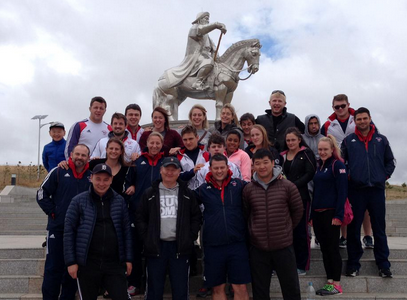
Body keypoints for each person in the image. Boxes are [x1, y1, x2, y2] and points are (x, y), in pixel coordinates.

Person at [136, 157, 202, 300]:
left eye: (174, 169)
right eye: (167, 169)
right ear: (161, 170)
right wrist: (147, 237)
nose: (170, 172)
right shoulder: (149, 193)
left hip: (179, 247)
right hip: (156, 247)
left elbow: (196, 217)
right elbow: (140, 217)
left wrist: (189, 236)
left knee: (180, 289)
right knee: (154, 289)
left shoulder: (187, 194)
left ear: (179, 172)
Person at [64, 163, 133, 300]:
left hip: (113, 264)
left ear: (111, 180)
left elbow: (126, 232)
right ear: (91, 178)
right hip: (87, 264)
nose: (102, 183)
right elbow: (68, 233)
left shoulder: (119, 201)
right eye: (98, 179)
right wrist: (71, 262)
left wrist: (128, 258)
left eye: (106, 179)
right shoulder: (78, 201)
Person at [342, 107, 396, 278]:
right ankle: (353, 264)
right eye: (359, 119)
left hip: (377, 191)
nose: (362, 122)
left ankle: (383, 264)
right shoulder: (348, 141)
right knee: (353, 229)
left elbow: (391, 161)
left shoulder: (381, 140)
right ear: (355, 121)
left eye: (365, 118)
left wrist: (383, 176)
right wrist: (351, 176)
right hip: (356, 191)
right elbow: (343, 163)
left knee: (379, 229)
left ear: (370, 119)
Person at [243, 149, 303, 300]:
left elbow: (297, 211)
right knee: (260, 291)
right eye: (258, 163)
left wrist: (286, 229)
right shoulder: (248, 189)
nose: (262, 166)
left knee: (291, 289)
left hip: (283, 246)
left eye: (265, 162)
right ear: (253, 166)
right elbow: (246, 214)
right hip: (258, 248)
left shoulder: (287, 186)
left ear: (272, 163)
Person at [37, 144, 91, 300]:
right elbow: (41, 193)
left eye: (83, 155)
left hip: (79, 232)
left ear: (88, 157)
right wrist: (54, 212)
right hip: (57, 229)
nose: (80, 158)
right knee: (53, 268)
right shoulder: (59, 171)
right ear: (71, 154)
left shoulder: (91, 176)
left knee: (73, 271)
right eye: (77, 154)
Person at [195, 154, 251, 300]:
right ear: (210, 169)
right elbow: (185, 200)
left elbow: (258, 191)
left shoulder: (238, 185)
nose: (219, 171)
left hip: (237, 244)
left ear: (227, 167)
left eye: (222, 167)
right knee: (217, 287)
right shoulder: (203, 189)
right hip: (214, 246)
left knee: (240, 287)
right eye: (216, 168)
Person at [321, 94, 372, 249]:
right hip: (339, 167)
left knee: (365, 204)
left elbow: (370, 134)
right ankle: (344, 236)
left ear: (348, 104)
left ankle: (368, 236)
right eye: (337, 107)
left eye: (343, 106)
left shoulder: (358, 119)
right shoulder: (328, 125)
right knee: (343, 201)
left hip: (359, 166)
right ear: (333, 107)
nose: (341, 109)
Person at [125, 132, 165, 296]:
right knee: (135, 249)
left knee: (155, 251)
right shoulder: (137, 161)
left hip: (160, 213)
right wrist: (133, 186)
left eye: (158, 143)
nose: (155, 146)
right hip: (138, 212)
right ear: (147, 143)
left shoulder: (166, 162)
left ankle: (153, 284)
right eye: (152, 143)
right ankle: (134, 283)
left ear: (162, 144)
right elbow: (128, 182)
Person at [311, 135, 347, 296]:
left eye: (325, 149)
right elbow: (316, 192)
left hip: (331, 213)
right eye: (320, 149)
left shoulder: (337, 165)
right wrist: (312, 215)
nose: (322, 152)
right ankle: (329, 282)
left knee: (332, 249)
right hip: (318, 215)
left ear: (332, 150)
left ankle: (337, 284)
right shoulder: (319, 165)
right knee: (324, 249)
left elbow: (342, 192)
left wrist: (339, 215)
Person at [280, 127, 316, 275]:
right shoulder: (282, 155)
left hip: (301, 197)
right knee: (286, 232)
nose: (290, 142)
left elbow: (310, 173)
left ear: (299, 140)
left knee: (301, 232)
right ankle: (287, 263)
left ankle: (302, 265)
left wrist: (293, 185)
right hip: (284, 198)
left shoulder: (306, 153)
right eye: (288, 140)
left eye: (293, 139)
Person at [164, 12, 227, 91]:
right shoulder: (195, 28)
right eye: (206, 19)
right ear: (200, 20)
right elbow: (202, 29)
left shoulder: (207, 36)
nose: (208, 21)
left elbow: (214, 48)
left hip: (206, 56)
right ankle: (198, 82)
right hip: (196, 56)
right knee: (209, 62)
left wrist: (218, 58)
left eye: (208, 19)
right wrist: (216, 25)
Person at [177, 125, 210, 189]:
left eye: (191, 139)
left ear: (197, 138)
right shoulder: (179, 156)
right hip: (186, 194)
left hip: (204, 194)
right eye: (185, 140)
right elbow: (176, 177)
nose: (188, 142)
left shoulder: (206, 155)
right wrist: (192, 172)